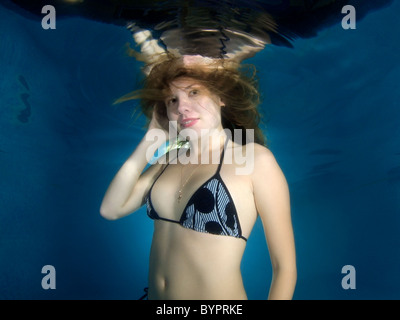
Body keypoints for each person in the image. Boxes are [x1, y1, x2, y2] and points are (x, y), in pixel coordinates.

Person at [100, 51, 297, 300]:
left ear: (222, 96)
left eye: (194, 92)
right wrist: (152, 140)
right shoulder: (169, 158)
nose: (182, 106)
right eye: (172, 100)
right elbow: (111, 209)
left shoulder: (255, 159)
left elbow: (285, 268)